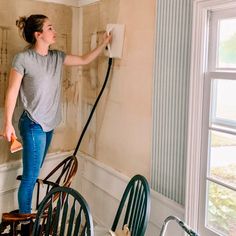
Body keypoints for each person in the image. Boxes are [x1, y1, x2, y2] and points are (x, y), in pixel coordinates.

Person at [2, 14, 111, 214]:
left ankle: (28, 219)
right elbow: (11, 92)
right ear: (38, 34)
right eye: (50, 28)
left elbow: (84, 59)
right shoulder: (23, 59)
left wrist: (104, 43)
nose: (55, 32)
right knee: (30, 177)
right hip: (33, 124)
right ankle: (27, 224)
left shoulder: (57, 57)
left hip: (49, 124)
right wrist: (7, 123)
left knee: (33, 173)